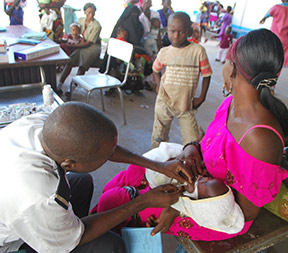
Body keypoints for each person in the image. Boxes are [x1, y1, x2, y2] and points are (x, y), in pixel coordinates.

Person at [147, 28, 288, 240]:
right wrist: (191, 148)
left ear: (232, 70)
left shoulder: (260, 139)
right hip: (200, 186)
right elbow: (208, 145)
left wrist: (181, 206)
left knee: (126, 203)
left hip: (219, 215)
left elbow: (242, 214)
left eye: (226, 61)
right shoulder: (230, 104)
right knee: (135, 172)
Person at [0, 101, 195, 252]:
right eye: (104, 159)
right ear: (69, 164)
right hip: (12, 238)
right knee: (110, 245)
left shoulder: (46, 124)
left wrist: (158, 165)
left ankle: (68, 224)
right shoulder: (38, 195)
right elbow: (68, 239)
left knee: (82, 182)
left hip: (22, 203)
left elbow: (105, 148)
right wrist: (142, 202)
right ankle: (67, 229)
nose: (109, 158)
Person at [93, 142, 245, 236]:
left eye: (205, 182)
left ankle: (106, 225)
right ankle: (100, 218)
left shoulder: (179, 197)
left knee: (110, 200)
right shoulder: (193, 174)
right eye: (208, 177)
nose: (204, 175)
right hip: (140, 186)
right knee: (111, 194)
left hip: (132, 201)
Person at [151, 12, 212, 149]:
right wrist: (159, 84)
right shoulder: (165, 52)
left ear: (189, 31)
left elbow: (207, 75)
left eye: (181, 32)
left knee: (192, 141)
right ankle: (155, 164)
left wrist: (202, 97)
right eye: (172, 31)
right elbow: (156, 69)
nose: (176, 36)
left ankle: (189, 164)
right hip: (164, 101)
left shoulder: (198, 51)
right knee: (159, 137)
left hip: (186, 104)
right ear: (167, 30)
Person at [57, 2, 102, 95]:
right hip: (81, 43)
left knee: (83, 64)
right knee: (70, 61)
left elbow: (88, 43)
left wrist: (72, 45)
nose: (91, 15)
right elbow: (74, 32)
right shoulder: (81, 20)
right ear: (85, 12)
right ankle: (59, 85)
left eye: (93, 13)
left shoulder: (96, 25)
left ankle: (72, 88)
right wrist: (67, 40)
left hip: (92, 47)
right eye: (89, 12)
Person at [259, 0, 288, 67]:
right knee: (281, 57)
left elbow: (268, 14)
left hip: (273, 37)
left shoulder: (276, 7)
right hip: (285, 39)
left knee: (269, 53)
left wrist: (263, 19)